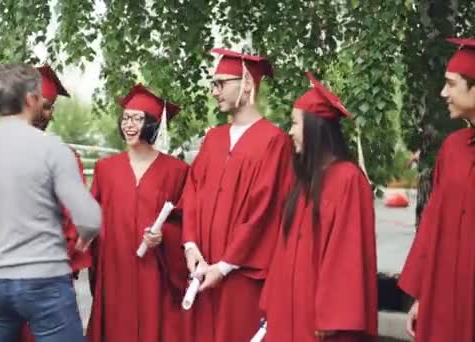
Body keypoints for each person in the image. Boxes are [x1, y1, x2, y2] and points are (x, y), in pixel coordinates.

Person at [0, 63, 101, 342]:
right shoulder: (57, 153)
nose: (49, 114)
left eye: (52, 107)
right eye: (45, 106)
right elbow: (85, 221)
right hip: (44, 281)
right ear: (30, 101)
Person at [180, 48, 293, 342]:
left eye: (221, 83)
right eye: (212, 84)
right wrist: (190, 246)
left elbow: (264, 210)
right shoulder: (213, 138)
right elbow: (191, 191)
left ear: (246, 83)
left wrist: (225, 265)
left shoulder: (274, 141)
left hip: (242, 276)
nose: (214, 91)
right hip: (201, 271)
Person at [259, 72, 378, 342]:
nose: (289, 132)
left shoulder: (348, 179)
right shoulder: (304, 182)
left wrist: (333, 315)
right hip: (289, 310)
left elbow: (347, 254)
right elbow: (283, 249)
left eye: (295, 124)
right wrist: (271, 300)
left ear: (315, 128)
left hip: (320, 320)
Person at [87, 84, 189, 342]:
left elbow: (186, 219)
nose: (129, 125)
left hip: (156, 272)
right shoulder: (105, 169)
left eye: (138, 118)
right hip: (115, 270)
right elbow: (92, 221)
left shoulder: (177, 171)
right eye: (126, 118)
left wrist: (165, 235)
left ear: (153, 123)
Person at [398, 38, 475, 342]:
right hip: (445, 303)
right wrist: (421, 295)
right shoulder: (453, 149)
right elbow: (432, 225)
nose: (443, 93)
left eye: (451, 84)